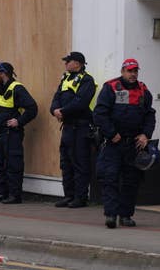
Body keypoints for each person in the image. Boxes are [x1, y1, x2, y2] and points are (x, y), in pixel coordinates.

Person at [93, 58, 155, 228]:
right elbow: (99, 113)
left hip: (134, 144)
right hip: (113, 143)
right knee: (109, 178)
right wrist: (111, 133)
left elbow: (150, 115)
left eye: (135, 71)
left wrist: (145, 135)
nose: (133, 74)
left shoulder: (143, 90)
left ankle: (126, 215)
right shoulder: (111, 87)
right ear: (122, 72)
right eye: (130, 71)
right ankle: (111, 215)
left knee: (131, 180)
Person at [50, 52, 97, 208]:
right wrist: (54, 110)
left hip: (81, 127)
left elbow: (81, 102)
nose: (66, 64)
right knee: (66, 161)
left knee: (80, 162)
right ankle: (68, 195)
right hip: (68, 127)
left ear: (78, 63)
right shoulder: (65, 79)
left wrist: (62, 112)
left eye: (68, 61)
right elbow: (56, 97)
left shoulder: (87, 80)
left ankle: (80, 197)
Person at [0, 62, 38, 205]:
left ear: (3, 73)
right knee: (1, 164)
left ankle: (15, 195)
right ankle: (2, 193)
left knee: (13, 164)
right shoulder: (0, 89)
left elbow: (32, 108)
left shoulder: (17, 88)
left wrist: (19, 121)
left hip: (12, 134)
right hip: (1, 133)